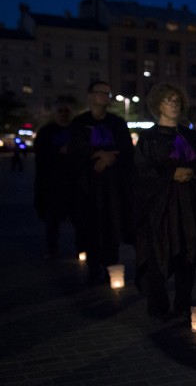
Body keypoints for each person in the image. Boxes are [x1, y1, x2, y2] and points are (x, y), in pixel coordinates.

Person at [134, 84, 196, 320]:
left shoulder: (189, 136)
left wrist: (193, 172)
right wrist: (171, 175)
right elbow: (141, 172)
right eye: (169, 101)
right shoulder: (148, 138)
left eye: (177, 101)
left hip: (188, 207)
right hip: (161, 209)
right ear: (158, 105)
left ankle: (183, 302)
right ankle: (158, 305)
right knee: (159, 253)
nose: (174, 105)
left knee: (188, 252)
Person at [68, 81, 135, 285]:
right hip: (87, 187)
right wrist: (96, 154)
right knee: (89, 226)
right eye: (101, 93)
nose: (105, 97)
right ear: (91, 96)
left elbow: (125, 149)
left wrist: (108, 159)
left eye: (108, 93)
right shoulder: (80, 123)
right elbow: (76, 150)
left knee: (112, 224)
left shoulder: (117, 123)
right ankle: (93, 268)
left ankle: (111, 266)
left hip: (112, 187)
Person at [34, 103, 72, 257]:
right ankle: (52, 249)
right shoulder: (46, 132)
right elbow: (42, 157)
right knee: (52, 219)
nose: (63, 114)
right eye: (60, 111)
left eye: (66, 111)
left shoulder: (75, 130)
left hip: (71, 183)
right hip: (52, 184)